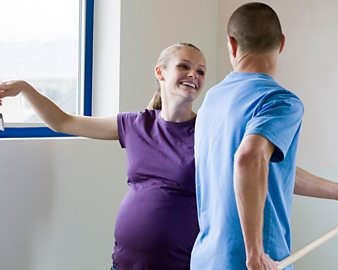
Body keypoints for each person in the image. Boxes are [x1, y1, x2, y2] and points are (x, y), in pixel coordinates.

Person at [191, 3, 338, 270]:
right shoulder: (279, 101)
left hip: (205, 260)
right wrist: (255, 253)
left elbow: (267, 170)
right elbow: (249, 159)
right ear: (282, 43)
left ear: (231, 45)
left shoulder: (212, 100)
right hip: (258, 263)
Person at [0, 43, 207, 269]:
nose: (193, 75)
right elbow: (63, 122)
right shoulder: (136, 124)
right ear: (160, 72)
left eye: (200, 71)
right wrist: (24, 88)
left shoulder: (208, 130)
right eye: (184, 66)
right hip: (123, 263)